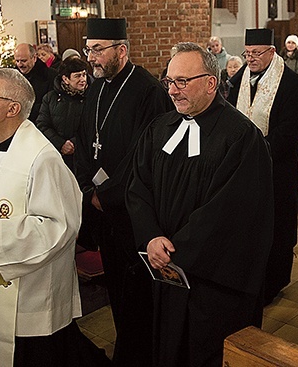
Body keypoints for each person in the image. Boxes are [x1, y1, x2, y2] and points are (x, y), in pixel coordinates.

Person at [126, 42, 274, 367]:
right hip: (165, 270)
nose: (174, 91)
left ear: (211, 82)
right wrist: (151, 237)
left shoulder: (241, 137)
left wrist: (175, 251)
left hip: (212, 282)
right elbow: (137, 187)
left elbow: (231, 213)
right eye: (169, 82)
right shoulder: (159, 128)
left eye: (183, 82)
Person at [0, 68, 109, 367]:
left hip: (35, 282)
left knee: (40, 353)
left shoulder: (42, 157)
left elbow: (61, 225)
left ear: (13, 108)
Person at [74, 18, 172, 367]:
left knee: (139, 294)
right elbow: (86, 140)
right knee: (116, 287)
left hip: (133, 211)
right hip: (103, 208)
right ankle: (127, 350)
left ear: (122, 50)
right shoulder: (97, 87)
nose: (92, 58)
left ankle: (142, 355)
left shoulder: (147, 90)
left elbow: (143, 155)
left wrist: (107, 195)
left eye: (98, 50)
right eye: (89, 49)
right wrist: (87, 186)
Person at [227, 28, 298, 304]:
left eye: (256, 53)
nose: (250, 59)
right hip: (242, 170)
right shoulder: (238, 80)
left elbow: (288, 132)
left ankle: (273, 282)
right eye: (247, 53)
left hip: (276, 170)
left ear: (272, 52)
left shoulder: (291, 84)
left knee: (276, 228)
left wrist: (255, 154)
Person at [36, 57, 91, 173]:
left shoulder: (92, 97)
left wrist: (74, 144)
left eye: (84, 75)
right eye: (77, 76)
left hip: (84, 158)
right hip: (56, 157)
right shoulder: (50, 98)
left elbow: (93, 125)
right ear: (65, 79)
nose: (83, 79)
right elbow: (42, 124)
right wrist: (60, 144)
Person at [14, 43, 57, 122]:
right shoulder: (13, 77)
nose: (20, 64)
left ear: (34, 58)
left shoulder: (50, 76)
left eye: (23, 61)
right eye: (17, 61)